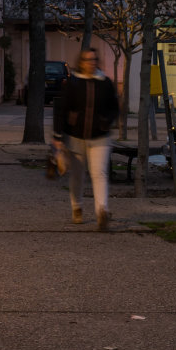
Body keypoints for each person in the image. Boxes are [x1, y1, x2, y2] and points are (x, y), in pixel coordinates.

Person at [53, 48, 121, 230]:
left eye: (94, 59)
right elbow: (62, 110)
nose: (91, 63)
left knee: (99, 173)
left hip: (100, 137)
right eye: (87, 60)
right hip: (75, 137)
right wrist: (58, 136)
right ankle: (77, 207)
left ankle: (102, 211)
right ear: (81, 62)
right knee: (78, 175)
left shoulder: (105, 83)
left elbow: (114, 107)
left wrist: (107, 121)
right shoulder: (73, 83)